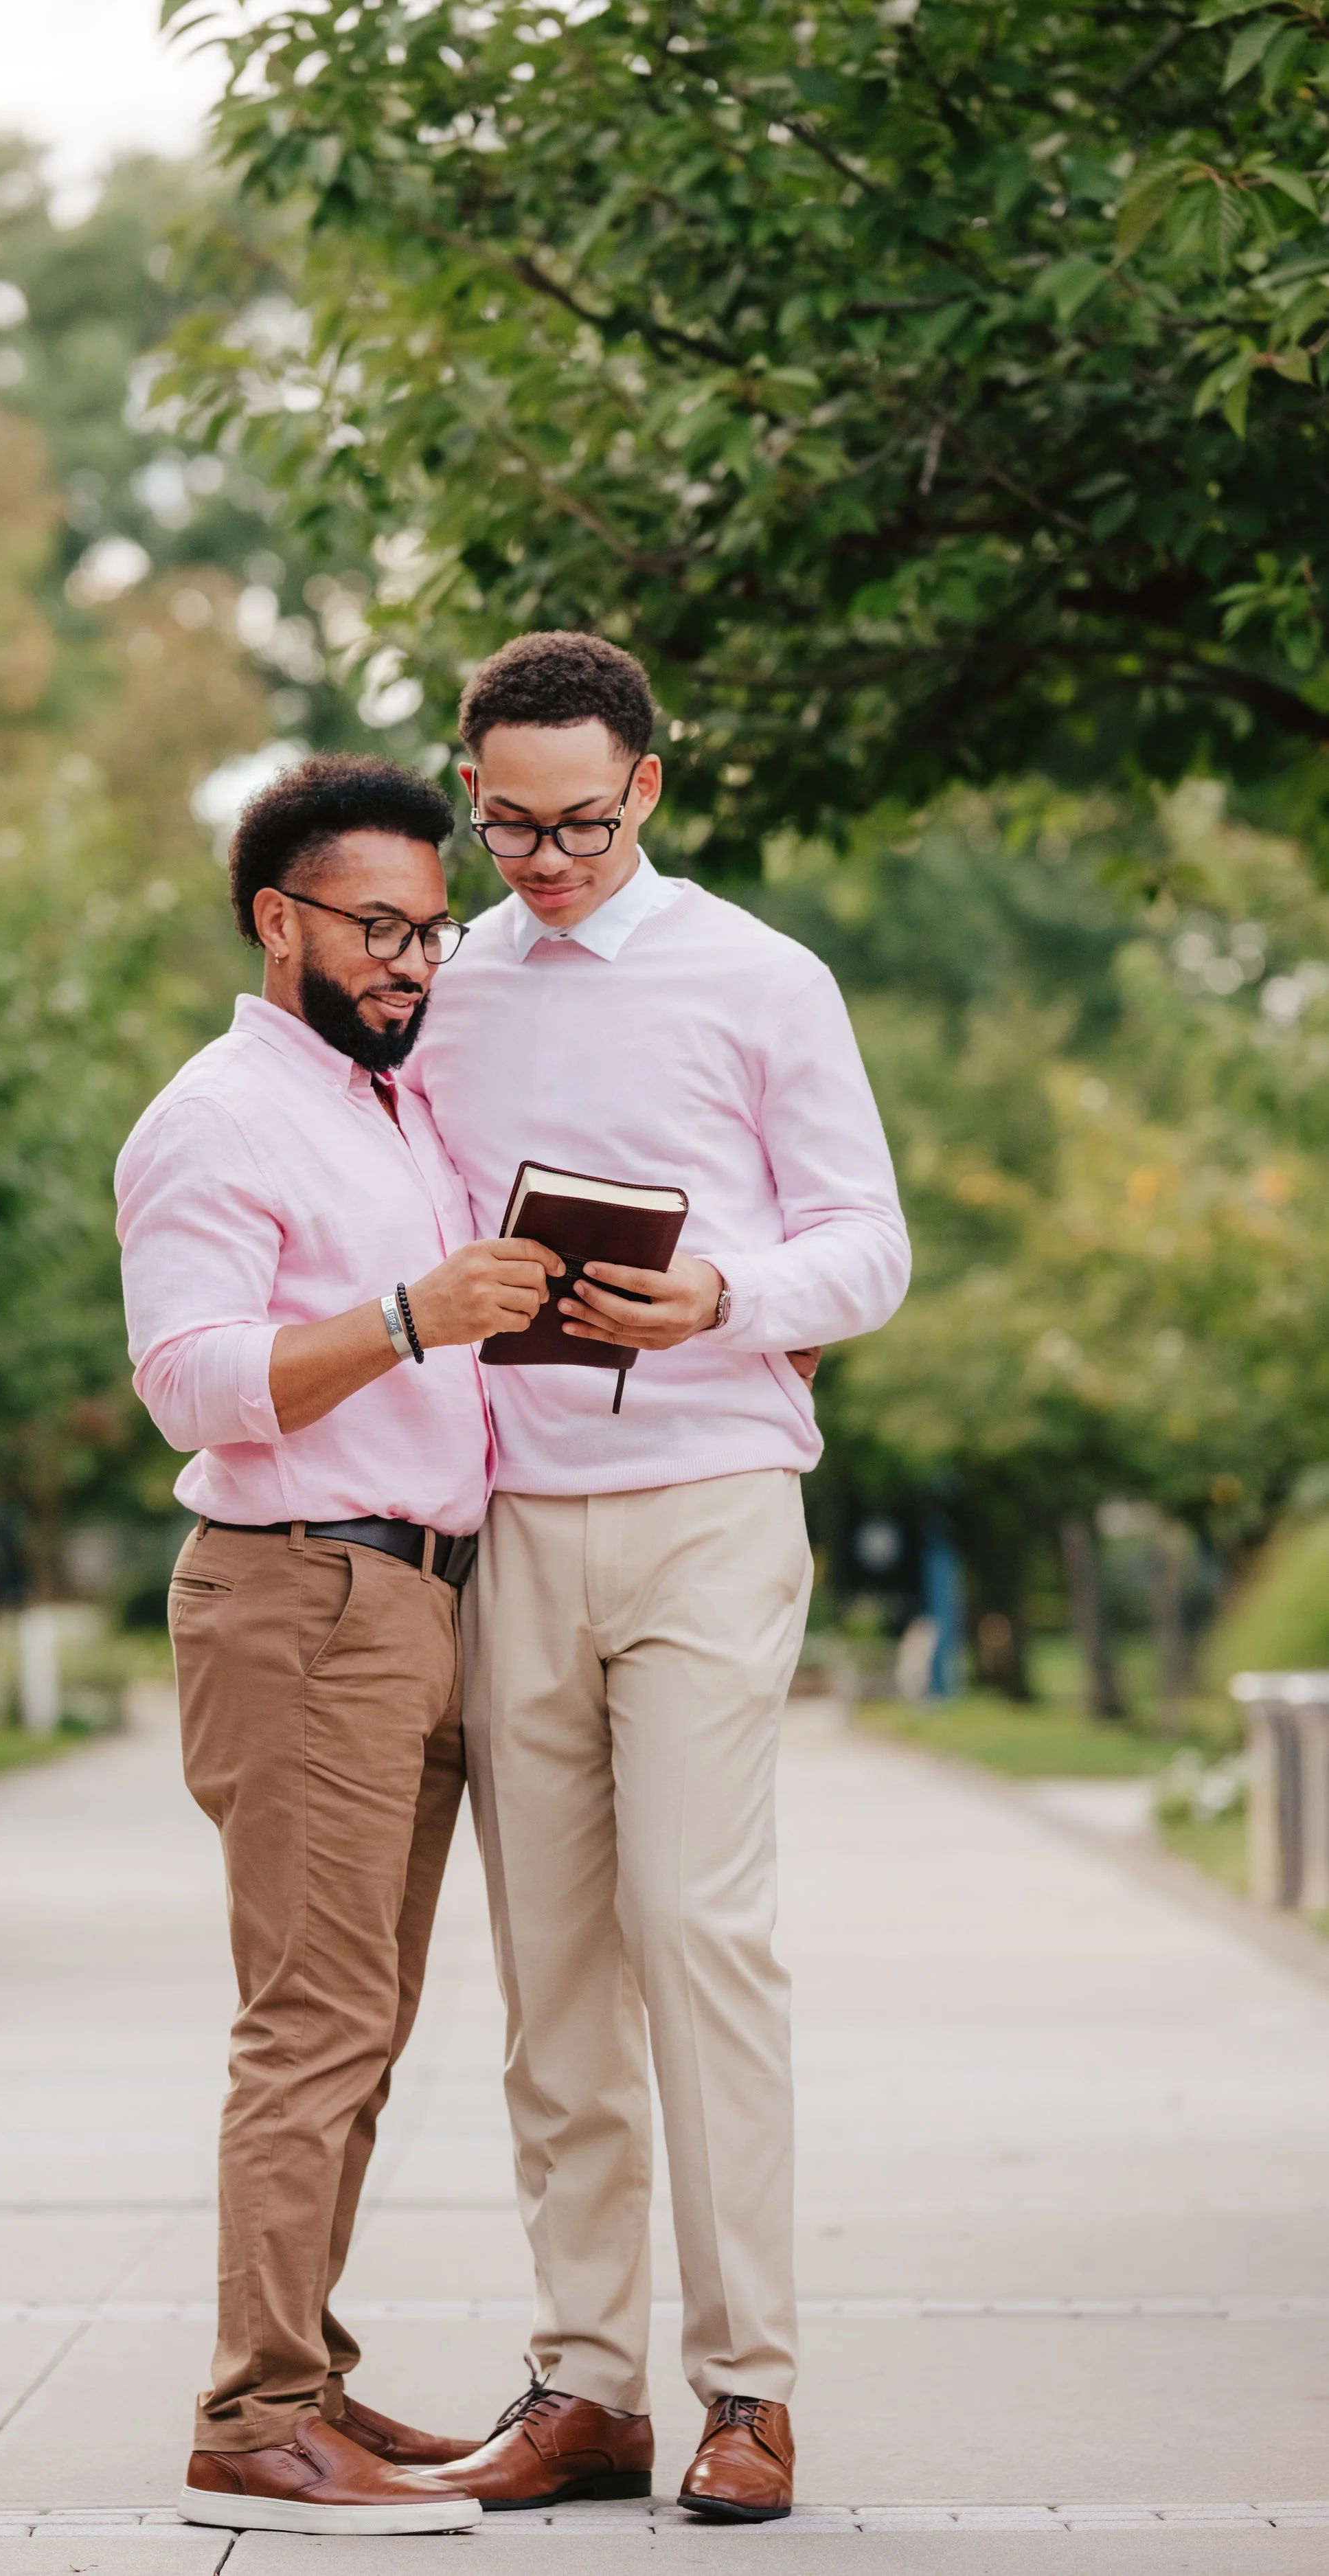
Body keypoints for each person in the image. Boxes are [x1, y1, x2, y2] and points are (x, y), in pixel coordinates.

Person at [404, 633, 911, 2524]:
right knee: (549, 1975)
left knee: (701, 1939)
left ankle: (747, 2390)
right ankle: (584, 2378)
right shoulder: (442, 991)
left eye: (579, 822)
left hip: (706, 1494)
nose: (539, 855)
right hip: (509, 1517)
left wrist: (724, 1293)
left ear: (653, 789)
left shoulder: (761, 976)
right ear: (467, 783)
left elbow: (869, 1245)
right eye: (506, 820)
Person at [114, 754, 561, 2539]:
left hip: (418, 1597)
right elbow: (192, 1377)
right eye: (379, 927)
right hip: (299, 1592)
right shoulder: (215, 1116)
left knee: (363, 2022)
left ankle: (301, 2368)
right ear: (274, 917)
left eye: (431, 931)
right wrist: (402, 1317)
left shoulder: (395, 1109)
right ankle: (250, 2423)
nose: (412, 961)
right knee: (311, 2022)